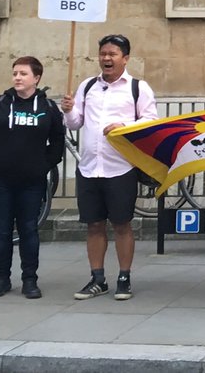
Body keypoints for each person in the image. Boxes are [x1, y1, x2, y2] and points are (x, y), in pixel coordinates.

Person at [62, 34, 157, 301]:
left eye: (113, 54)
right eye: (103, 53)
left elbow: (151, 123)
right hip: (90, 168)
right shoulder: (88, 86)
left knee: (122, 224)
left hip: (121, 168)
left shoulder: (138, 88)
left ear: (125, 58)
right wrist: (68, 110)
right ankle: (97, 278)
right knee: (93, 224)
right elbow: (74, 124)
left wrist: (124, 127)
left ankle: (124, 277)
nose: (106, 58)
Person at [0, 57, 64, 300]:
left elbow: (57, 144)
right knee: (2, 231)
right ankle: (1, 279)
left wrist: (42, 166)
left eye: (23, 73)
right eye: (15, 73)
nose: (17, 78)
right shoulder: (0, 103)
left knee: (29, 229)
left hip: (31, 182)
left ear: (36, 78)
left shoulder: (48, 107)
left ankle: (30, 279)